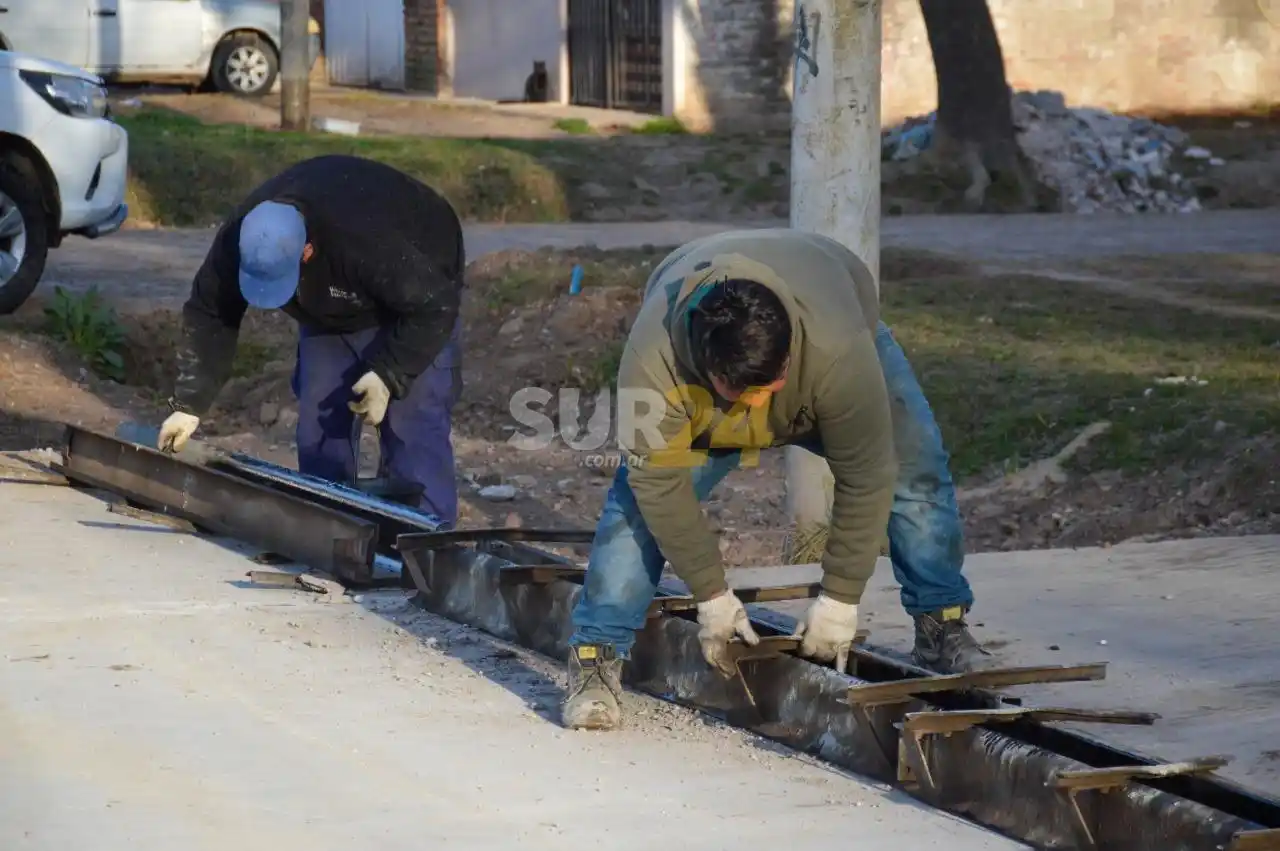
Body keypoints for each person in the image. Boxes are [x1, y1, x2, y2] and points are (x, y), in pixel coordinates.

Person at [561, 228, 990, 731]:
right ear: (709, 366)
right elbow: (660, 487)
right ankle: (595, 657)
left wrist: (839, 599)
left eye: (773, 384)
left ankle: (943, 625)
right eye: (747, 390)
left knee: (914, 466)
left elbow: (867, 472)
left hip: (831, 340)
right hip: (709, 399)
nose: (762, 404)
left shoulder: (836, 347)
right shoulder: (654, 363)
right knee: (636, 507)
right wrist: (713, 597)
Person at [156, 154, 466, 525]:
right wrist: (189, 403)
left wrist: (389, 373)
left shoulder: (366, 242)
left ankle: (427, 544)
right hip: (334, 303)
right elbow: (210, 312)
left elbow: (435, 306)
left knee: (412, 429)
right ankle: (333, 532)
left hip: (417, 297)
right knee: (319, 431)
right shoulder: (241, 237)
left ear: (307, 251)